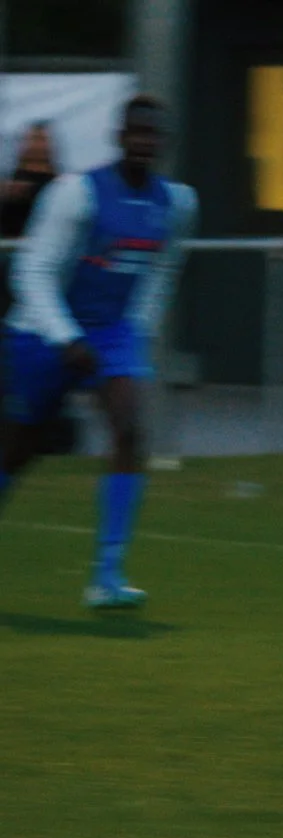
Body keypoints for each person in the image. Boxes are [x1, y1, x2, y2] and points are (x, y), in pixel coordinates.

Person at [0, 97, 197, 609]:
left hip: (111, 335)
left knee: (130, 430)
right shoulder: (76, 193)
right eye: (137, 132)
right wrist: (65, 338)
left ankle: (107, 576)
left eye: (154, 134)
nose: (145, 142)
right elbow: (32, 270)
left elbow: (163, 269)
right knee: (17, 450)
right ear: (119, 136)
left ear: (164, 143)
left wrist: (137, 331)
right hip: (42, 332)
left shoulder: (177, 204)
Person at [1, 123, 60, 239]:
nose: (36, 145)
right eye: (32, 139)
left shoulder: (59, 184)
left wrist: (30, 190)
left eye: (40, 140)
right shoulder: (9, 182)